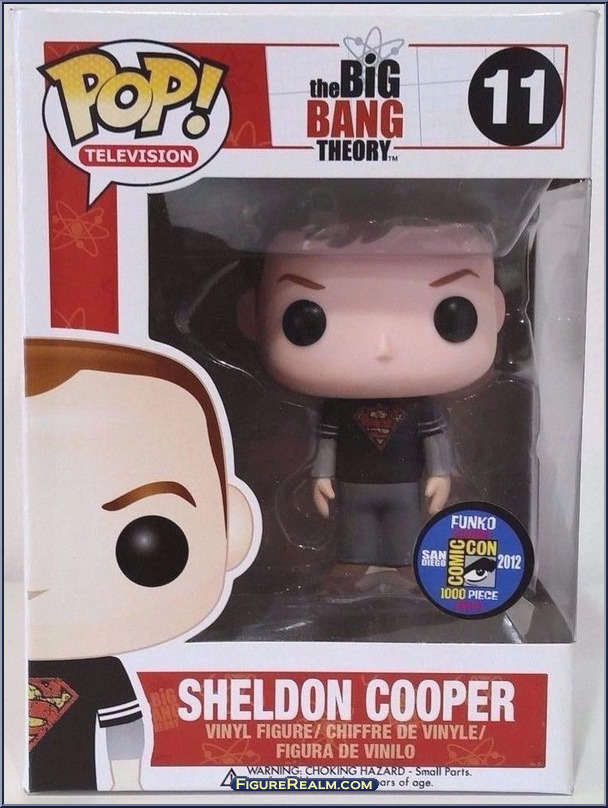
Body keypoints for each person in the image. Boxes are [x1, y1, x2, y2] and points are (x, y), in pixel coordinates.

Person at [26, 338, 257, 790]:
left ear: (232, 528)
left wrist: (128, 784)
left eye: (147, 543)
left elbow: (124, 726)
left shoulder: (100, 668)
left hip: (76, 791)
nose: (39, 577)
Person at [238, 220, 505, 598]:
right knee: (356, 529)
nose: (383, 347)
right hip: (354, 483)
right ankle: (354, 563)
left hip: (404, 483)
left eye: (452, 316)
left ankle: (404, 564)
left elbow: (434, 438)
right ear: (253, 316)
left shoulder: (421, 404)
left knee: (404, 525)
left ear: (496, 310)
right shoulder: (338, 407)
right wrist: (321, 474)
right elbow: (327, 441)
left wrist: (440, 472)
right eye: (307, 320)